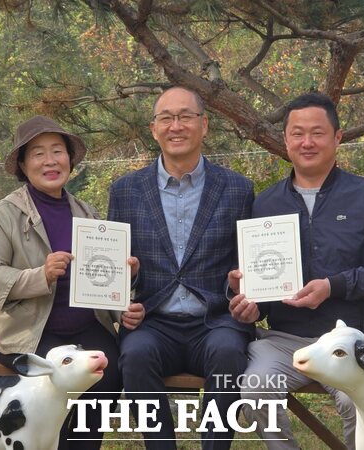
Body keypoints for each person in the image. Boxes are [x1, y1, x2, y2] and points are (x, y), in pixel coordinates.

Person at [228, 92, 364, 449]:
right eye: (297, 133)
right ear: (285, 139)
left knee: (354, 402)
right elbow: (260, 287)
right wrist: (249, 302)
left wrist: (334, 286)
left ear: (337, 137)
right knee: (254, 388)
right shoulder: (265, 203)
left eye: (317, 133)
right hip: (283, 341)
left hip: (349, 339)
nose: (307, 142)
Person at [0, 115, 144, 450]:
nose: (50, 161)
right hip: (28, 331)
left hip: (86, 327)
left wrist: (123, 295)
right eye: (38, 153)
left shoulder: (87, 213)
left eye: (57, 151)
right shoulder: (4, 214)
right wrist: (41, 275)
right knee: (62, 379)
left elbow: (98, 282)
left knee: (107, 372)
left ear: (69, 159)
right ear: (22, 164)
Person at [107, 86, 255, 450]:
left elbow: (248, 263)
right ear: (154, 128)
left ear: (204, 125)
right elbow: (114, 268)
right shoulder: (125, 190)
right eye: (166, 118)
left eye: (186, 116)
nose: (177, 126)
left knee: (228, 352)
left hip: (216, 321)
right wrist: (121, 300)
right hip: (153, 322)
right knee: (135, 354)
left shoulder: (238, 188)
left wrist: (247, 295)